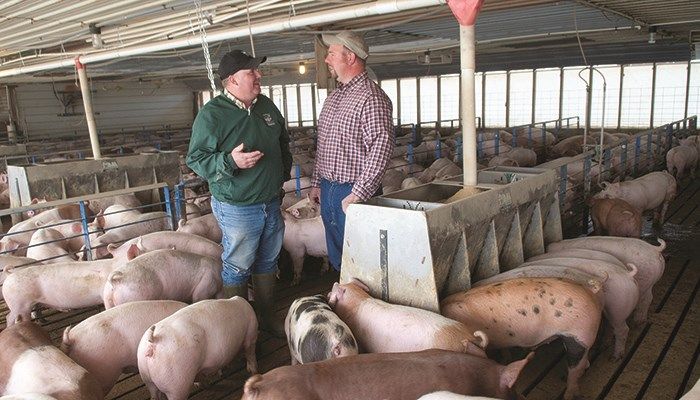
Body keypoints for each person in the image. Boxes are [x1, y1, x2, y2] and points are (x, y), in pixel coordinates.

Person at [187, 50, 292, 336]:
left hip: (270, 201)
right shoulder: (212, 115)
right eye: (251, 73)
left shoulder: (266, 106)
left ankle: (267, 320)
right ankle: (240, 330)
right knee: (237, 266)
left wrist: (280, 179)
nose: (259, 76)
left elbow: (283, 143)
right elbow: (196, 159)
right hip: (238, 206)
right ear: (232, 80)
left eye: (257, 71)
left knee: (268, 260)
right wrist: (231, 161)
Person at [310, 31, 394, 272]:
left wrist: (359, 192)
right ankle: (344, 298)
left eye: (331, 54)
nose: (326, 60)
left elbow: (381, 146)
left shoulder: (372, 97)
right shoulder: (333, 98)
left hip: (353, 189)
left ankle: (363, 304)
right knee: (337, 252)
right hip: (329, 188)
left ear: (350, 58)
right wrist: (317, 182)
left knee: (362, 255)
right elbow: (323, 145)